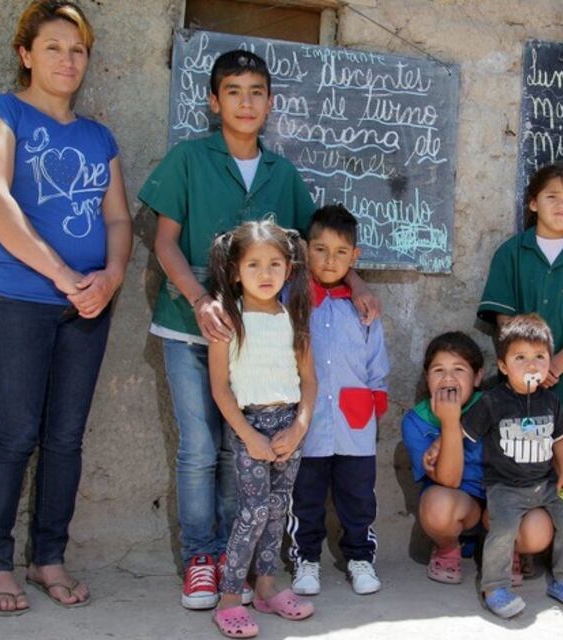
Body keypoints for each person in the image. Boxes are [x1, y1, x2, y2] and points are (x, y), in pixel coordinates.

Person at [139, 48, 379, 609]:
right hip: (190, 322)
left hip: (258, 335)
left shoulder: (281, 173)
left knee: (237, 451)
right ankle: (203, 558)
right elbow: (165, 241)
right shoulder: (189, 160)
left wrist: (359, 283)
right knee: (199, 447)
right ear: (213, 101)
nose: (245, 103)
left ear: (270, 103)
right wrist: (200, 299)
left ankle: (239, 561)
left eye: (256, 92)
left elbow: (318, 243)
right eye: (233, 91)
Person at [0, 0, 132, 615]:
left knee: (65, 440)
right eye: (54, 47)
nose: (67, 59)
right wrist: (65, 276)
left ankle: (48, 557)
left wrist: (109, 277)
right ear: (26, 54)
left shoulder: (97, 137)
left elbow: (117, 216)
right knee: (14, 435)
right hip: (17, 302)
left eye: (78, 49)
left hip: (87, 307)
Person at [476, 162, 563, 573]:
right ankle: (516, 548)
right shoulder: (512, 252)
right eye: (552, 196)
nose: (562, 204)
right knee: (520, 460)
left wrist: (559, 361)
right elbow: (503, 317)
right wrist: (525, 363)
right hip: (522, 386)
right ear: (533, 202)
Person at [207, 220, 317, 638]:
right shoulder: (227, 323)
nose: (266, 274)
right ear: (235, 270)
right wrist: (248, 435)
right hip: (249, 425)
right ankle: (231, 597)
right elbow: (220, 389)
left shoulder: (295, 319)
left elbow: (309, 382)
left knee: (277, 510)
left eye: (275, 264)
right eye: (254, 264)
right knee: (252, 513)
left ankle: (268, 587)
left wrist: (300, 426)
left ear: (289, 269)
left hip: (289, 426)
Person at [287, 205, 390, 596]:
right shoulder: (293, 302)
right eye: (320, 249)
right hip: (307, 423)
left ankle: (360, 557)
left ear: (354, 258)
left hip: (355, 426)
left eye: (341, 252)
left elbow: (376, 363)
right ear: (304, 251)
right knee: (306, 497)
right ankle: (306, 559)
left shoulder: (363, 308)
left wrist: (373, 408)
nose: (330, 261)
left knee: (358, 497)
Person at [401, 332, 555, 585]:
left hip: (506, 499)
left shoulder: (496, 405)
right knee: (437, 506)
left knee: (537, 530)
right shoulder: (416, 421)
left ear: (478, 377)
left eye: (459, 369)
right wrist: (450, 423)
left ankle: (508, 549)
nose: (448, 378)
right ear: (427, 377)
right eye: (438, 370)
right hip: (461, 503)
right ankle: (449, 548)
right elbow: (449, 481)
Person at [462, 315, 563, 618]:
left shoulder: (551, 401)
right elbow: (463, 432)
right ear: (503, 366)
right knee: (503, 529)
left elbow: (561, 441)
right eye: (520, 358)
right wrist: (440, 444)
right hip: (504, 487)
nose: (532, 365)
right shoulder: (492, 401)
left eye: (540, 357)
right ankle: (495, 586)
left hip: (544, 484)